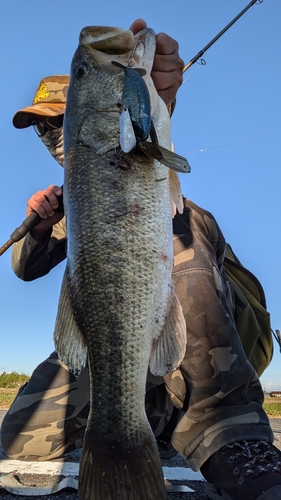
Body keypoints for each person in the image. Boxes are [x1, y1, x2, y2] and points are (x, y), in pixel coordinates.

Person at [1, 18, 281, 500]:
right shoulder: (73, 210)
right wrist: (43, 227)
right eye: (44, 130)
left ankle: (230, 430)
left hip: (211, 350)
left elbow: (139, 136)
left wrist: (158, 95)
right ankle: (149, 419)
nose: (53, 135)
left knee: (180, 228)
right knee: (19, 444)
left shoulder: (149, 177)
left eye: (58, 119)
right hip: (131, 362)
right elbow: (25, 268)